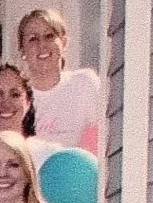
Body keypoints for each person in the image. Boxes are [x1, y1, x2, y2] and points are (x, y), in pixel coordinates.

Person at [16, 8, 102, 147]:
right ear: (22, 51)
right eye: (33, 39)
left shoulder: (84, 84)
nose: (42, 45)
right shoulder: (15, 97)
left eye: (49, 36)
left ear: (64, 43)